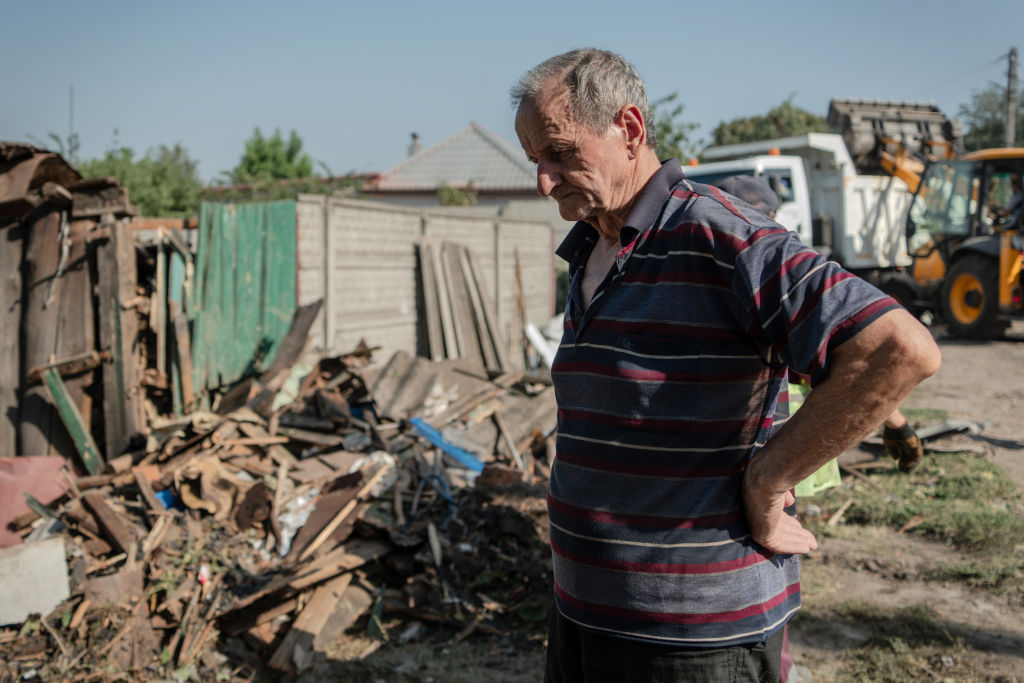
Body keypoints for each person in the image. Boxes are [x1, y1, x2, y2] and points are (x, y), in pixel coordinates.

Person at [511, 48, 941, 682]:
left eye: (560, 153)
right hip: (583, 613)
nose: (543, 181)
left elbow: (897, 349)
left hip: (691, 639)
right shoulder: (592, 248)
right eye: (534, 161)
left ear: (628, 129)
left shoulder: (723, 237)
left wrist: (771, 477)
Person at [717, 175, 925, 473]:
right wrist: (896, 423)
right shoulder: (782, 274)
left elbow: (832, 364)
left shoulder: (760, 275)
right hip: (769, 444)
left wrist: (894, 422)